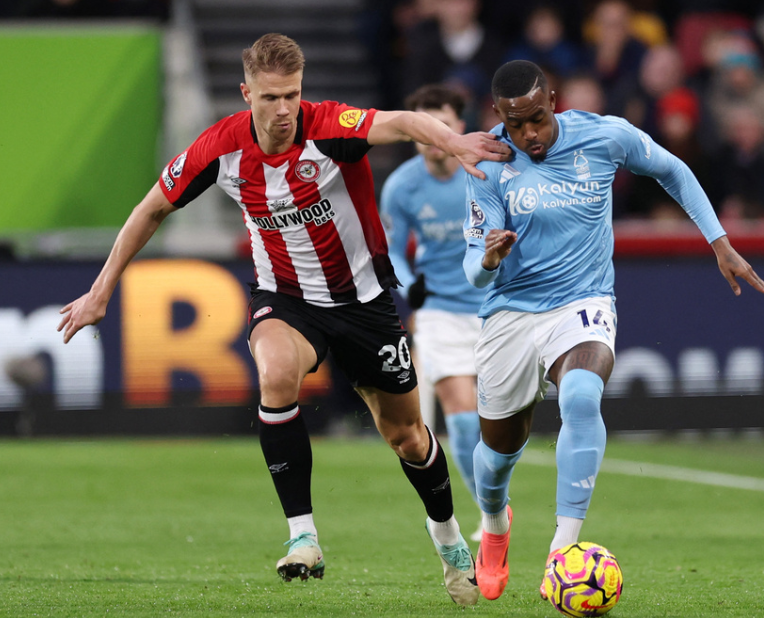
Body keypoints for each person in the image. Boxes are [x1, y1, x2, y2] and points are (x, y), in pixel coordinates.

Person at [56, 33, 512, 606]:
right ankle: (303, 535)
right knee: (275, 373)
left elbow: (402, 122)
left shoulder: (330, 126)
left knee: (408, 437)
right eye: (270, 97)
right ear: (247, 93)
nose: (283, 110)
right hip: (285, 297)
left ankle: (447, 538)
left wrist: (453, 140)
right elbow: (151, 209)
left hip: (363, 303)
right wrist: (101, 292)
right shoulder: (218, 149)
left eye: (292, 95)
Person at [461, 60, 764, 601]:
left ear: (553, 100)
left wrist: (718, 242)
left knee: (582, 395)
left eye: (537, 119)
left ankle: (563, 552)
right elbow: (471, 271)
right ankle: (494, 525)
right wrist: (489, 257)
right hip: (511, 310)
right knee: (497, 457)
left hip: (583, 302)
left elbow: (674, 170)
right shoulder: (487, 161)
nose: (529, 134)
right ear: (499, 117)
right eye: (517, 125)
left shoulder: (605, 136)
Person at [379, 84, 485, 540]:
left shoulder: (484, 174)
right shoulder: (402, 185)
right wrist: (409, 281)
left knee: (500, 417)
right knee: (460, 415)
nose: (430, 134)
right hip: (440, 311)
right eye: (423, 124)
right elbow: (391, 248)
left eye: (441, 122)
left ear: (459, 126)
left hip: (496, 308)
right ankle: (490, 514)